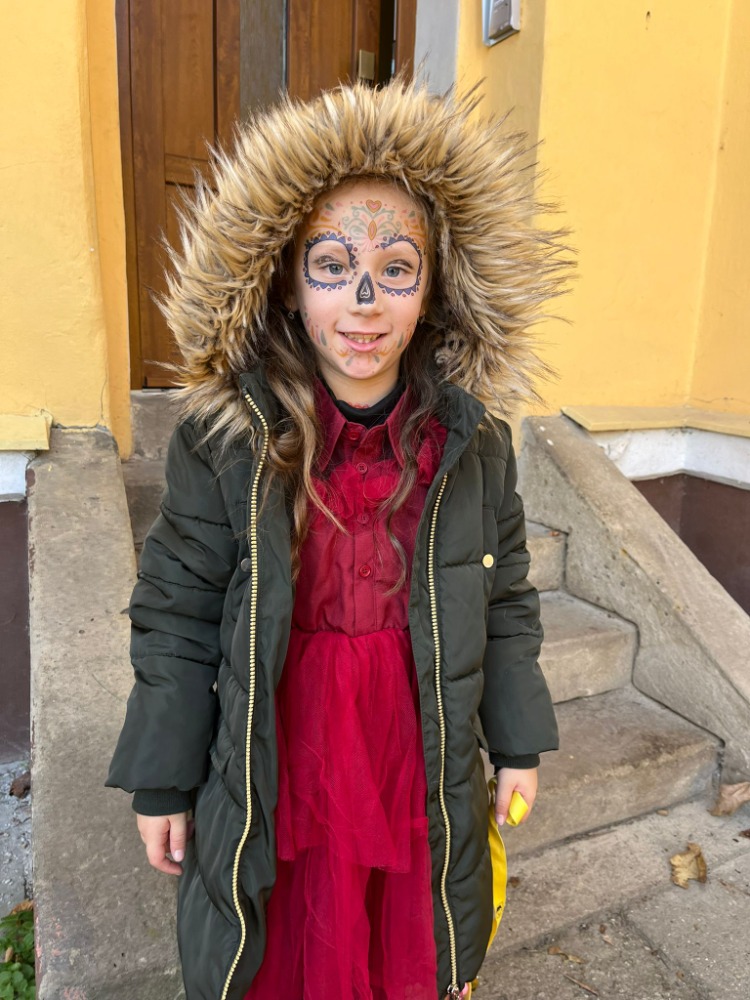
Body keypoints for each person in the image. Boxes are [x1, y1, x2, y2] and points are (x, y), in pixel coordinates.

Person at [107, 77, 565, 1000]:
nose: (363, 303)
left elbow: (505, 597)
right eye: (330, 265)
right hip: (281, 754)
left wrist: (517, 740)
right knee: (291, 948)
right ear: (284, 278)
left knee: (400, 946)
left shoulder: (472, 446)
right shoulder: (226, 441)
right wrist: (162, 780)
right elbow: (177, 613)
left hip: (412, 752)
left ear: (435, 288)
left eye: (396, 270)